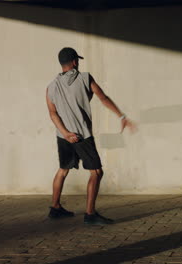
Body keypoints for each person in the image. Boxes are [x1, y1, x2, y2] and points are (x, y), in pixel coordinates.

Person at [46, 47, 135, 225]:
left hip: (63, 136)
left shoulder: (51, 86)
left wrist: (65, 133)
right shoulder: (85, 78)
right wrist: (121, 116)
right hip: (82, 136)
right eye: (77, 60)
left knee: (63, 170)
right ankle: (90, 214)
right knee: (96, 172)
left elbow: (52, 113)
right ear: (74, 62)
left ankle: (55, 209)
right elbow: (102, 97)